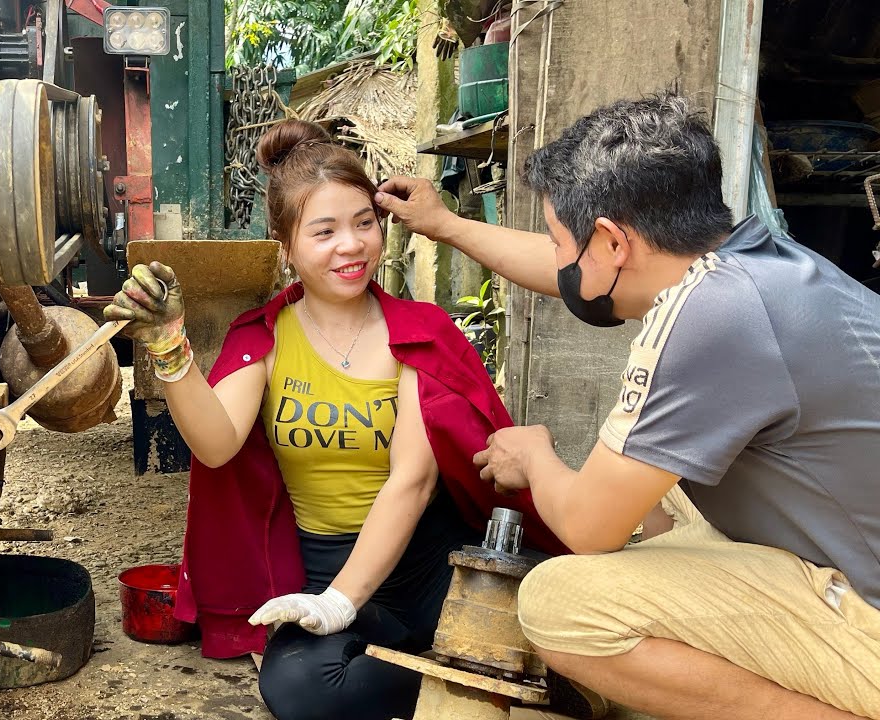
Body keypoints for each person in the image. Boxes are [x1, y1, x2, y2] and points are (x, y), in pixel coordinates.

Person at [375, 92, 880, 720]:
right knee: (658, 483)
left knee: (561, 604)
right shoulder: (755, 262)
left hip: (869, 624)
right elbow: (574, 271)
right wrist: (446, 224)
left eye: (561, 239)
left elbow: (589, 527)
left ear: (614, 242)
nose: (556, 257)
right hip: (848, 555)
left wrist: (534, 459)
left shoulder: (710, 316)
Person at [104, 120, 567, 720]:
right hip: (323, 562)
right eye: (323, 232)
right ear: (286, 246)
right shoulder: (266, 338)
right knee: (303, 690)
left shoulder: (419, 335)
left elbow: (414, 480)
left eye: (363, 224)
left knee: (555, 645)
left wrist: (342, 604)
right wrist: (169, 344)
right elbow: (216, 446)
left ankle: (454, 668)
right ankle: (458, 679)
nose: (351, 247)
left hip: (429, 563)